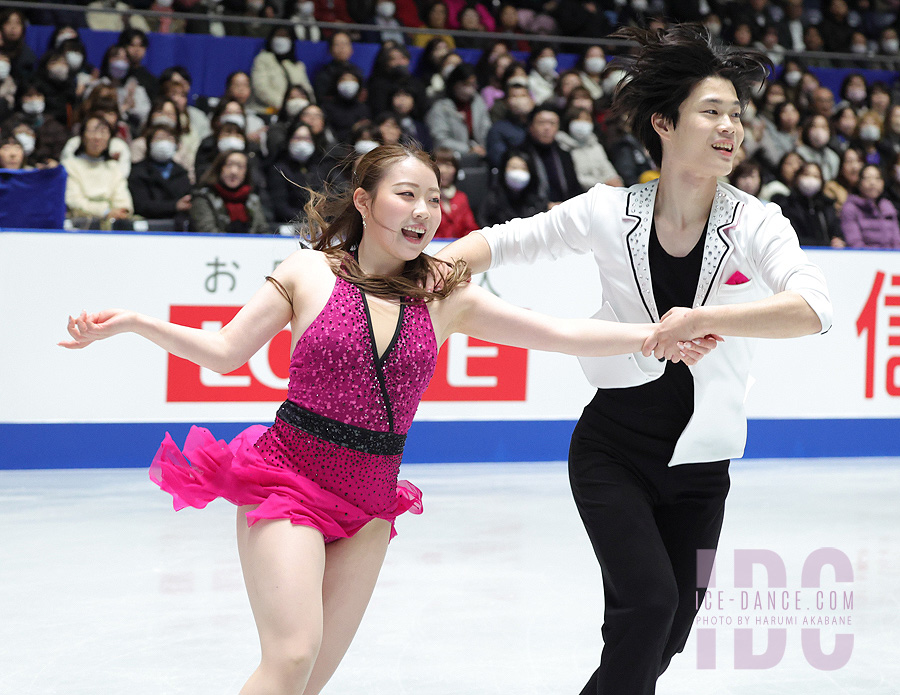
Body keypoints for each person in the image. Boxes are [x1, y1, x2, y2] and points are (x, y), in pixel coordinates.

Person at [60, 142, 718, 695]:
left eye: (435, 198)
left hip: (370, 504)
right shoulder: (309, 272)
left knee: (308, 678)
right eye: (407, 194)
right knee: (290, 655)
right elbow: (225, 354)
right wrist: (137, 322)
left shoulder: (446, 292)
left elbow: (557, 332)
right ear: (365, 202)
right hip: (288, 481)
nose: (425, 211)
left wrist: (653, 335)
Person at [435, 25, 832, 695]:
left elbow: (815, 308)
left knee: (666, 631)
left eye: (737, 114)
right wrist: (424, 271)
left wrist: (704, 318)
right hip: (613, 449)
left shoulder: (758, 222)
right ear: (663, 122)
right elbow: (500, 244)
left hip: (704, 470)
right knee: (648, 608)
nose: (730, 126)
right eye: (712, 111)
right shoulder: (604, 211)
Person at [62, 112, 134, 226]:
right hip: (80, 222)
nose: (97, 137)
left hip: (114, 220)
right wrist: (105, 212)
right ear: (82, 136)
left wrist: (121, 211)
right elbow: (74, 200)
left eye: (103, 132)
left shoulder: (113, 167)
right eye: (92, 131)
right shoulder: (69, 166)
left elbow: (123, 198)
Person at [190, 149, 267, 234]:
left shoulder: (253, 199)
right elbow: (208, 232)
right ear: (219, 168)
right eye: (229, 165)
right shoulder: (203, 197)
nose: (234, 171)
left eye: (240, 166)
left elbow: (263, 231)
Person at [770, 161, 845, 247]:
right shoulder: (786, 204)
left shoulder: (827, 206)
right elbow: (790, 237)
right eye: (806, 174)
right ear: (797, 178)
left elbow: (837, 233)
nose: (811, 180)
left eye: (816, 176)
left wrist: (838, 241)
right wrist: (826, 244)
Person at [839, 163, 900, 249]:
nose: (872, 182)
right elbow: (854, 243)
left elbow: (897, 241)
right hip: (864, 258)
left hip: (890, 259)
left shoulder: (888, 207)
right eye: (867, 178)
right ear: (859, 182)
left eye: (877, 178)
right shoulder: (850, 208)